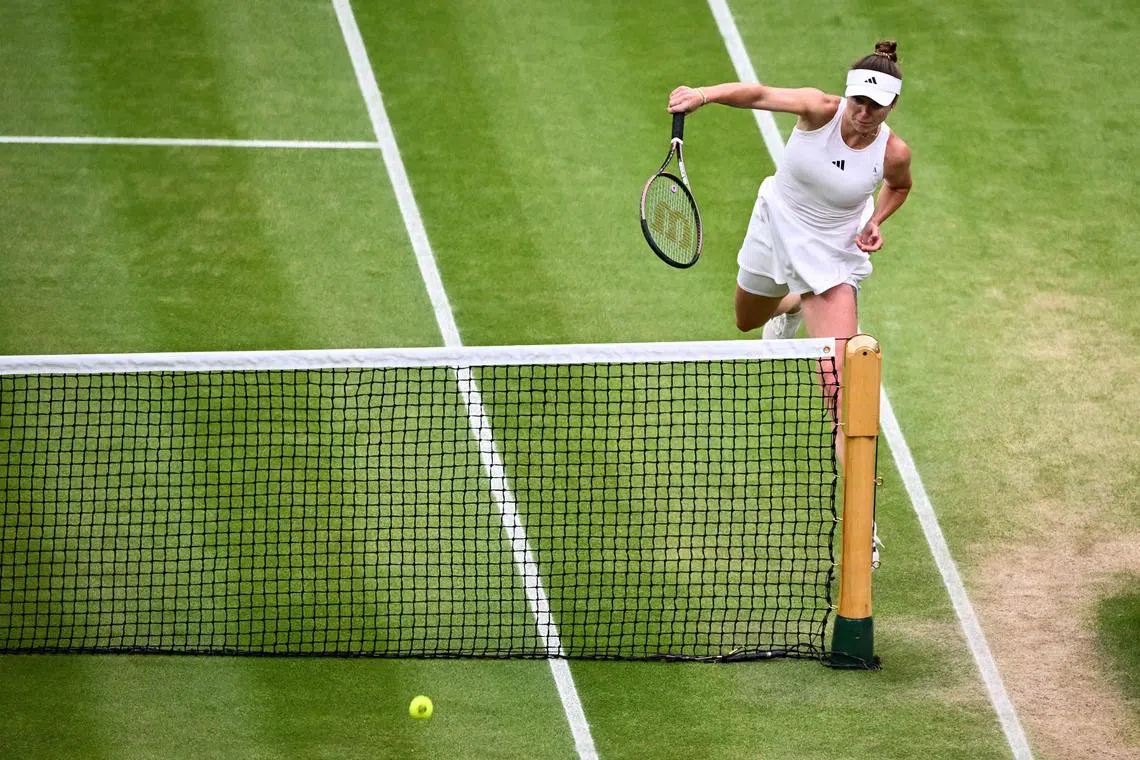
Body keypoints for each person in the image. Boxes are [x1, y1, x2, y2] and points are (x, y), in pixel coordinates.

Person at [667, 40, 912, 349]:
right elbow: (760, 95)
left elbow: (899, 185)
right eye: (857, 100)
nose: (864, 112)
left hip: (833, 244)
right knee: (747, 320)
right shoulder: (819, 108)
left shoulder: (894, 152)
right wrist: (703, 95)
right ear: (847, 94)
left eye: (875, 105)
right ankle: (794, 304)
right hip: (776, 220)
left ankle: (820, 298)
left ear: (892, 105)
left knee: (843, 367)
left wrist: (875, 220)